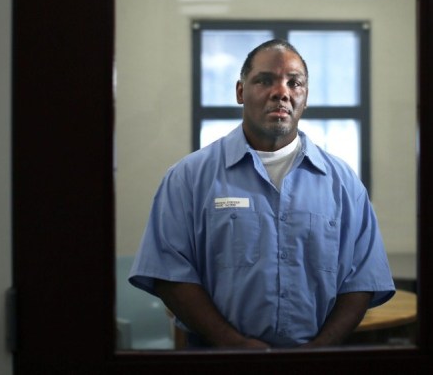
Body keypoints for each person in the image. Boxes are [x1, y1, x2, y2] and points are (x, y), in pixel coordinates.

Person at [129, 39, 395, 349]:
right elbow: (169, 275)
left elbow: (361, 280)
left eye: (294, 83)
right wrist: (233, 344)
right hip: (216, 359)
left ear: (305, 96)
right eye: (265, 80)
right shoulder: (187, 178)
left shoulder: (344, 184)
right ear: (241, 91)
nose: (281, 92)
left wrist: (320, 351)